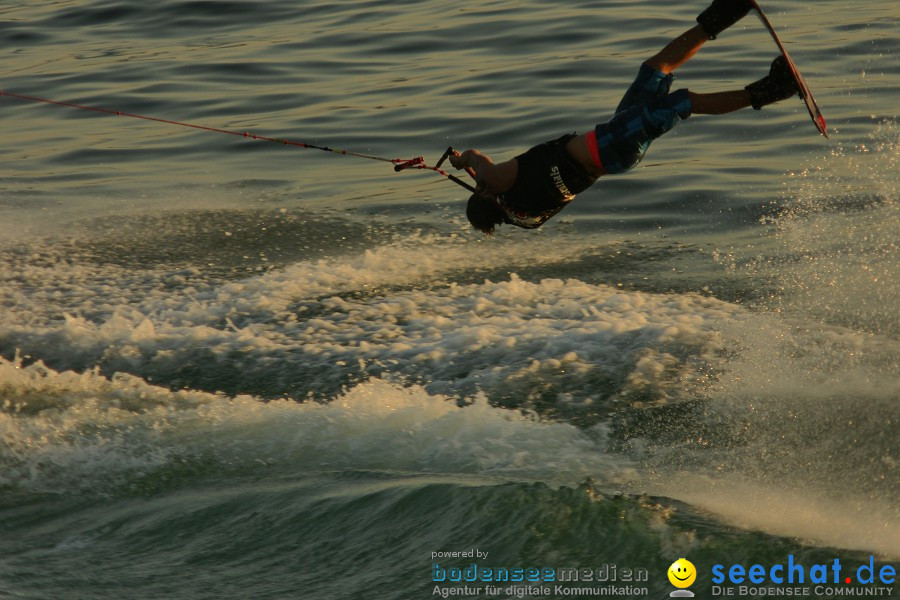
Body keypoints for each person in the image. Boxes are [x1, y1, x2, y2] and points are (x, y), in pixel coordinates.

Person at [449, 0, 801, 234]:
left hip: (614, 152)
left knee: (653, 71)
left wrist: (484, 184)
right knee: (682, 102)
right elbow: (480, 162)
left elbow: (495, 182)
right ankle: (772, 89)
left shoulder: (526, 219)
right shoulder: (495, 183)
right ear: (483, 196)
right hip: (608, 143)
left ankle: (725, 13)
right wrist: (463, 160)